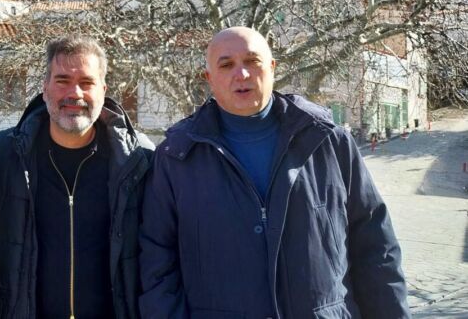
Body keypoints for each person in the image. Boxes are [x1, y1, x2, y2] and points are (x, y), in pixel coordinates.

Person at [139, 26, 409, 318]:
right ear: (209, 78)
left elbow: (376, 247)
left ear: (272, 67)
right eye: (226, 65)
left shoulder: (328, 141)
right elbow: (157, 264)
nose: (242, 74)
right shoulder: (176, 156)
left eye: (252, 61)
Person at [0, 36, 154, 319]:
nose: (74, 93)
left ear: (103, 90)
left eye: (86, 83)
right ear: (45, 89)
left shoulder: (139, 159)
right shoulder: (5, 154)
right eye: (62, 81)